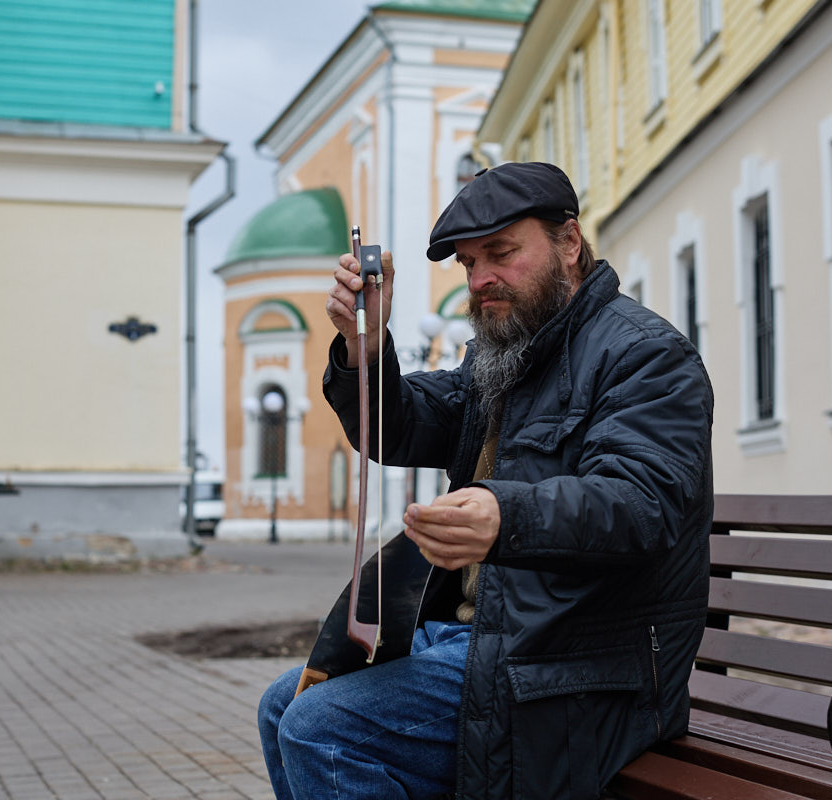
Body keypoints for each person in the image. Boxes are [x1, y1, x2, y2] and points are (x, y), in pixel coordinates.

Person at [258, 162, 714, 799]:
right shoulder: (505, 355)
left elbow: (642, 504)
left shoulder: (643, 355)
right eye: (469, 264)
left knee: (322, 726)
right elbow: (399, 427)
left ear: (569, 244)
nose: (481, 280)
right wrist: (365, 347)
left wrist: (505, 516)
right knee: (283, 705)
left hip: (578, 663)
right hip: (487, 640)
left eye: (501, 253)